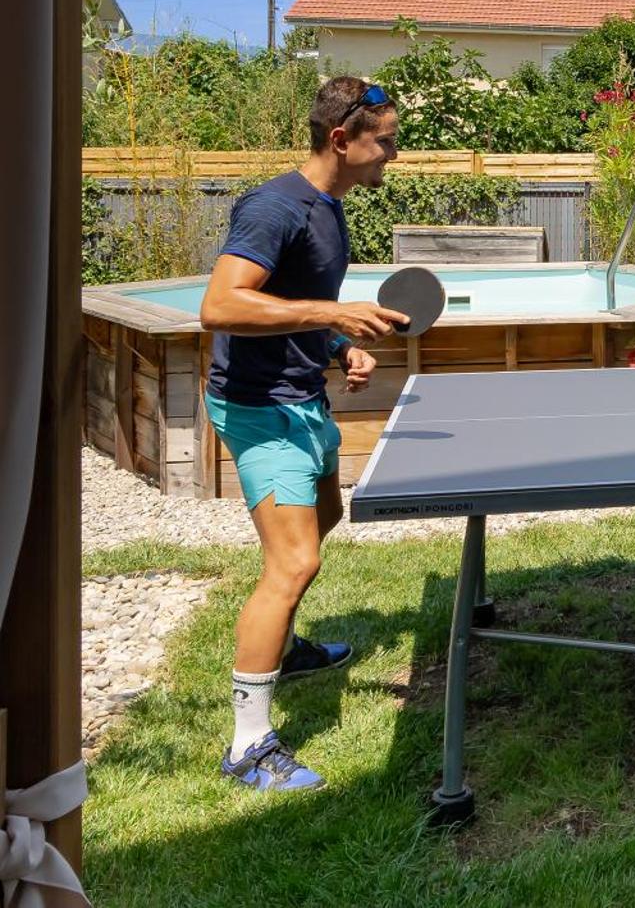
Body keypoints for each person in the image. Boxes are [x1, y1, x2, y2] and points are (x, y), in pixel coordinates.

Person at [199, 77, 409, 789]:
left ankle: (282, 649)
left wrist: (335, 345)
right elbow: (221, 304)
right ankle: (248, 744)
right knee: (292, 565)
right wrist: (334, 311)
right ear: (341, 139)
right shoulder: (274, 207)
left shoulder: (330, 208)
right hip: (259, 407)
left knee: (325, 517)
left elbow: (289, 306)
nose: (394, 153)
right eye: (386, 140)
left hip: (300, 394)